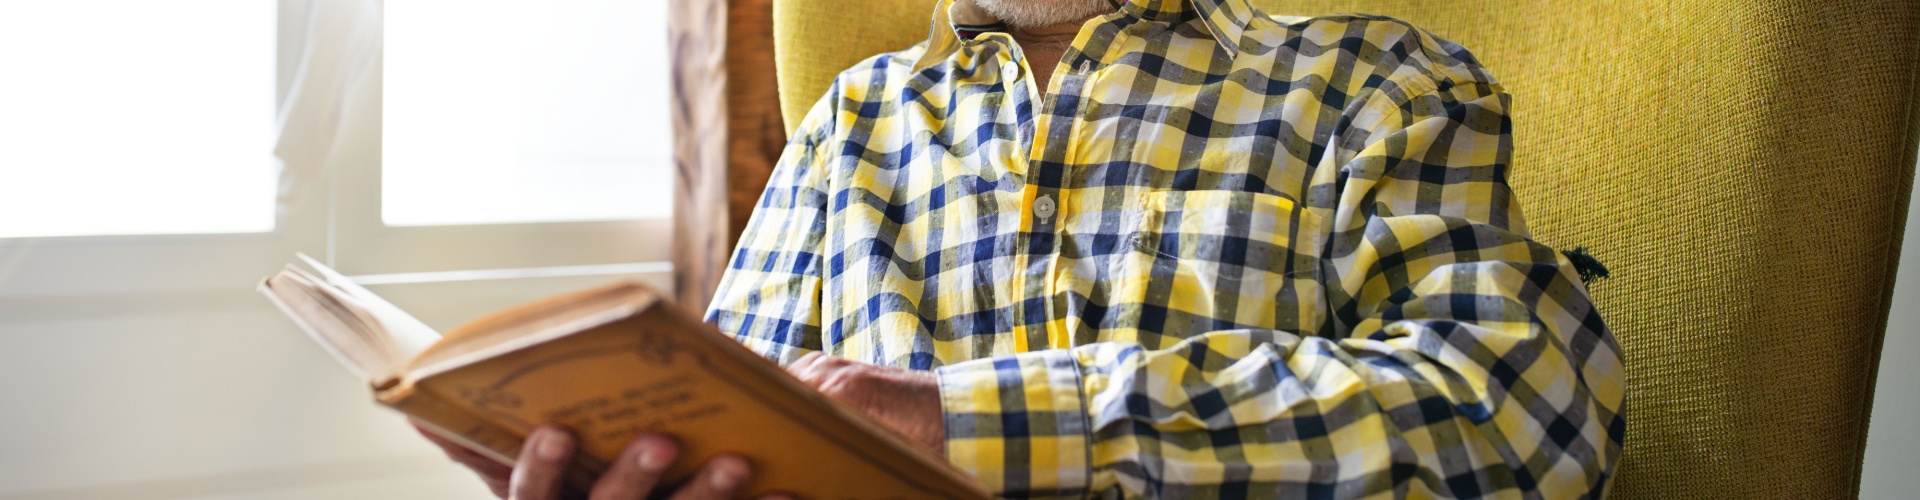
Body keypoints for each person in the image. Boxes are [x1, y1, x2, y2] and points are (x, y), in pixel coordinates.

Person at [425, 0, 1626, 497]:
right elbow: (739, 439)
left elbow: (1523, 410)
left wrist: (984, 421)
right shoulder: (851, 121)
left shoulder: (1372, 82)